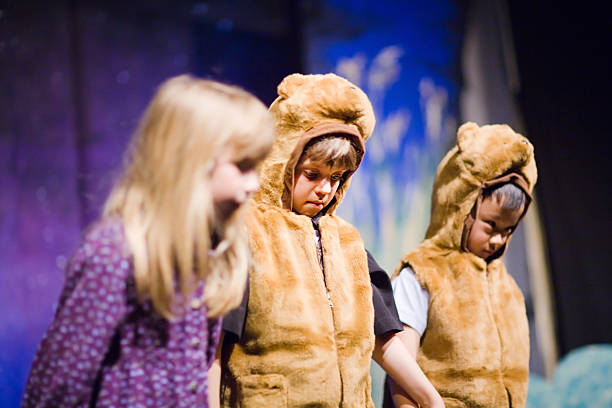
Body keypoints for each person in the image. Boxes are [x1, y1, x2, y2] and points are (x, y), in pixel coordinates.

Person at [20, 75, 274, 408]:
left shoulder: (207, 257)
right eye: (243, 166)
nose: (255, 183)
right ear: (189, 160)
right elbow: (57, 389)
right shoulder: (116, 252)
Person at [210, 73, 443, 408]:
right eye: (312, 174)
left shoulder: (347, 242)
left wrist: (431, 399)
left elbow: (384, 338)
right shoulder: (248, 233)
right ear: (284, 161)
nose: (325, 190)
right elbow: (213, 348)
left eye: (336, 178)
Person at [388, 122, 537, 408]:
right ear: (460, 206)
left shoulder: (509, 289)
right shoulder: (423, 273)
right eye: (491, 225)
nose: (497, 239)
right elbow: (400, 365)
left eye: (507, 230)